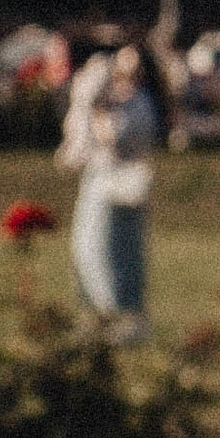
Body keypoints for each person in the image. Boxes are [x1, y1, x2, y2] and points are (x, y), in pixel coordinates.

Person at [63, 36, 165, 334]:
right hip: (98, 180)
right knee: (87, 247)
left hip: (121, 183)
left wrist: (97, 111)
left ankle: (121, 314)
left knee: (112, 251)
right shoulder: (114, 98)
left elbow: (115, 137)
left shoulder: (140, 101)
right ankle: (96, 313)